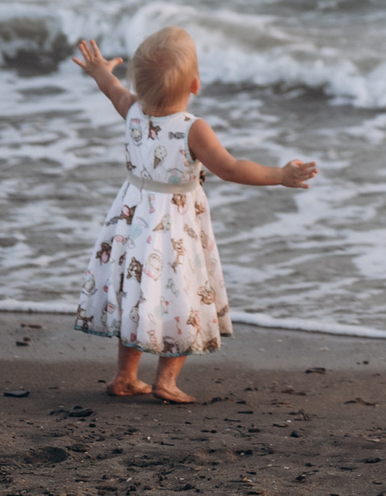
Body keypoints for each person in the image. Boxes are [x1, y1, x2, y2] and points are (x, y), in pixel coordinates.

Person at [70, 26, 319, 402]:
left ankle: (125, 377)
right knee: (180, 296)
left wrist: (100, 70)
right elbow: (232, 169)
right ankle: (166, 382)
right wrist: (280, 176)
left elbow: (112, 87)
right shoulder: (192, 130)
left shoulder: (132, 110)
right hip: (175, 232)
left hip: (132, 224)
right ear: (195, 85)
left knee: (137, 295)